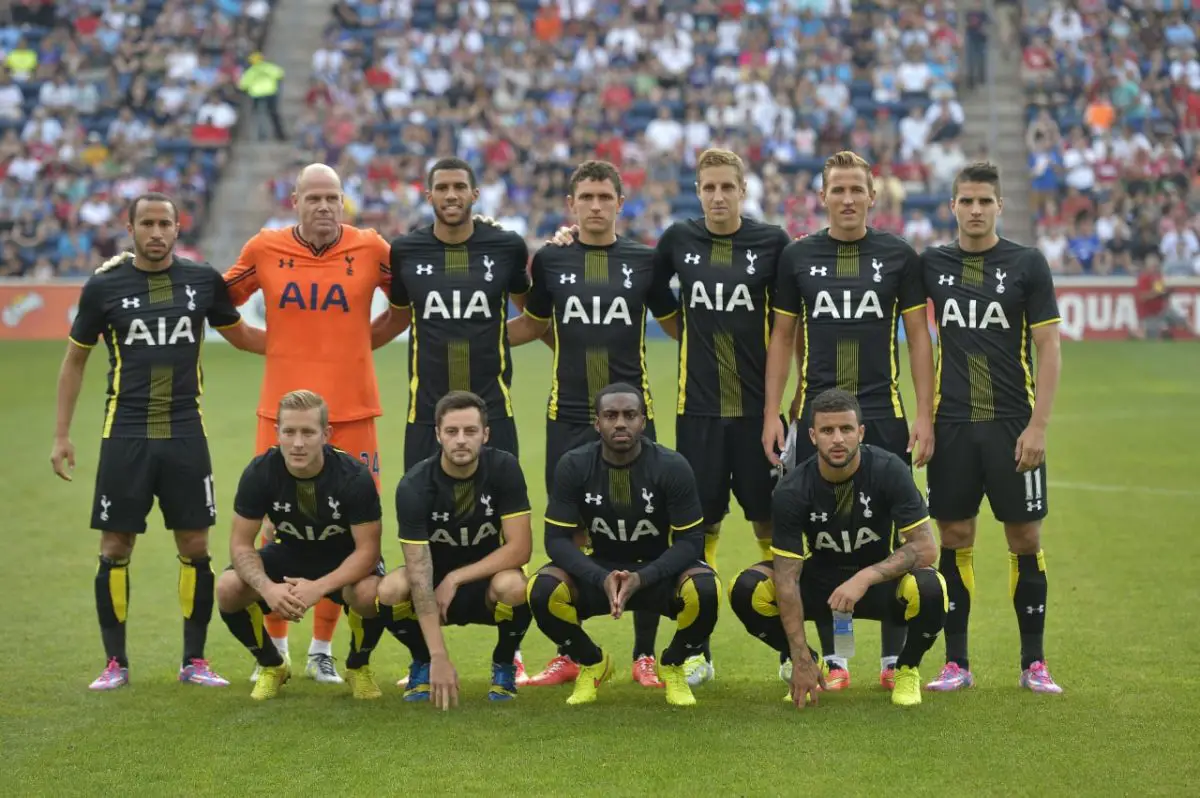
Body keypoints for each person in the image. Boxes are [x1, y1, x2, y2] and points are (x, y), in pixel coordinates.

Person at [51, 192, 264, 691]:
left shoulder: (200, 281)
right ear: (130, 229)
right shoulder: (104, 287)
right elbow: (74, 360)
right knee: (115, 546)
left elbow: (242, 336)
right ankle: (115, 664)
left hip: (186, 432)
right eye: (146, 223)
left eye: (164, 223)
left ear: (176, 227)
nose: (156, 232)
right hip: (125, 433)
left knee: (195, 545)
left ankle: (194, 660)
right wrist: (61, 434)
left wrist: (306, 346)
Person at [762, 150, 937, 692]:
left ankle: (890, 661)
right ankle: (835, 659)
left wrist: (924, 414)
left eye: (855, 189)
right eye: (836, 190)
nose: (846, 199)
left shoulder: (899, 256)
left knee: (887, 532)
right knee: (822, 533)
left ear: (871, 196)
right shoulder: (797, 256)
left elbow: (917, 338)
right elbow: (783, 336)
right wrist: (774, 411)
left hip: (881, 411)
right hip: (816, 413)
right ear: (822, 196)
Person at [224, 163, 401, 687]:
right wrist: (267, 344)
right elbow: (217, 301)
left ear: (344, 202)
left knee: (348, 531)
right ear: (295, 200)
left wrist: (353, 348)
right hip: (282, 416)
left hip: (353, 411)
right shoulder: (264, 248)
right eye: (314, 198)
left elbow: (404, 307)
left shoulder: (371, 247)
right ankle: (275, 647)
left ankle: (323, 648)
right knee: (279, 526)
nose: (324, 207)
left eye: (333, 198)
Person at [507, 159, 680, 689]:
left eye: (606, 197)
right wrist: (470, 333)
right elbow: (533, 324)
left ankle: (644, 655)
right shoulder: (552, 261)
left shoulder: (644, 262)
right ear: (572, 205)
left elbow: (679, 327)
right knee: (572, 533)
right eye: (587, 197)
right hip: (570, 416)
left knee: (646, 532)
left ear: (620, 203)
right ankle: (572, 652)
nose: (597, 206)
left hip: (633, 419)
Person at [921, 162, 1064, 694]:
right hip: (952, 425)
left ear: (999, 206)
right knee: (954, 537)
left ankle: (1034, 663)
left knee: (1025, 536)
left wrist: (1039, 426)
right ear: (952, 206)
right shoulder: (931, 264)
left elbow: (1049, 347)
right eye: (966, 201)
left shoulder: (1028, 264)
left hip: (1012, 425)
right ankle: (956, 662)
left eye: (985, 201)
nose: (975, 210)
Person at [730, 389, 947, 708]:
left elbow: (927, 548)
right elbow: (787, 579)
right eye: (827, 431)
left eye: (846, 429)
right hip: (821, 585)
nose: (837, 439)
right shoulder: (792, 489)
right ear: (812, 436)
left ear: (860, 432)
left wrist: (865, 577)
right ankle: (807, 663)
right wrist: (800, 655)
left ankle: (906, 668)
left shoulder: (888, 470)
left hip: (878, 585)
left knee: (931, 588)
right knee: (747, 589)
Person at [526, 383, 720, 707]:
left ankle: (671, 665)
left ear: (643, 422)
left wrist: (643, 577)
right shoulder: (573, 466)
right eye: (611, 415)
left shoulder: (671, 466)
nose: (620, 423)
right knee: (541, 589)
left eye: (630, 415)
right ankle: (592, 662)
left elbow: (691, 541)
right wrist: (598, 577)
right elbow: (556, 541)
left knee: (706, 589)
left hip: (655, 573)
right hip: (598, 571)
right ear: (596, 423)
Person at [216, 390, 387, 700]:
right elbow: (241, 545)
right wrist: (268, 588)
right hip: (288, 553)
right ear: (277, 433)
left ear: (326, 434)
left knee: (370, 593)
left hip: (343, 557)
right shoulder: (260, 472)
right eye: (289, 431)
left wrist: (318, 588)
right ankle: (272, 665)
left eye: (308, 432)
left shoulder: (353, 477)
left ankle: (357, 667)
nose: (297, 443)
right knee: (228, 587)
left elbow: (368, 551)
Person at [377, 391, 533, 705]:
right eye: (451, 432)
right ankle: (422, 661)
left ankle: (504, 664)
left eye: (470, 431)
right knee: (390, 589)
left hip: (487, 584)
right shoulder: (414, 486)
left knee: (516, 586)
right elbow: (420, 575)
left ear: (486, 434)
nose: (461, 440)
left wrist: (456, 578)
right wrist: (439, 656)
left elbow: (520, 550)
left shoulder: (504, 468)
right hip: (432, 587)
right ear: (437, 435)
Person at [378, 157, 531, 472]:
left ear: (475, 195)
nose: (451, 195)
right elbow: (397, 318)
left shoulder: (506, 246)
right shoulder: (405, 250)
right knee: (421, 511)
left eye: (460, 187)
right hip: (426, 413)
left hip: (494, 412)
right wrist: (345, 346)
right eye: (442, 188)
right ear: (428, 196)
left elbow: (534, 317)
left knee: (502, 512)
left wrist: (493, 336)